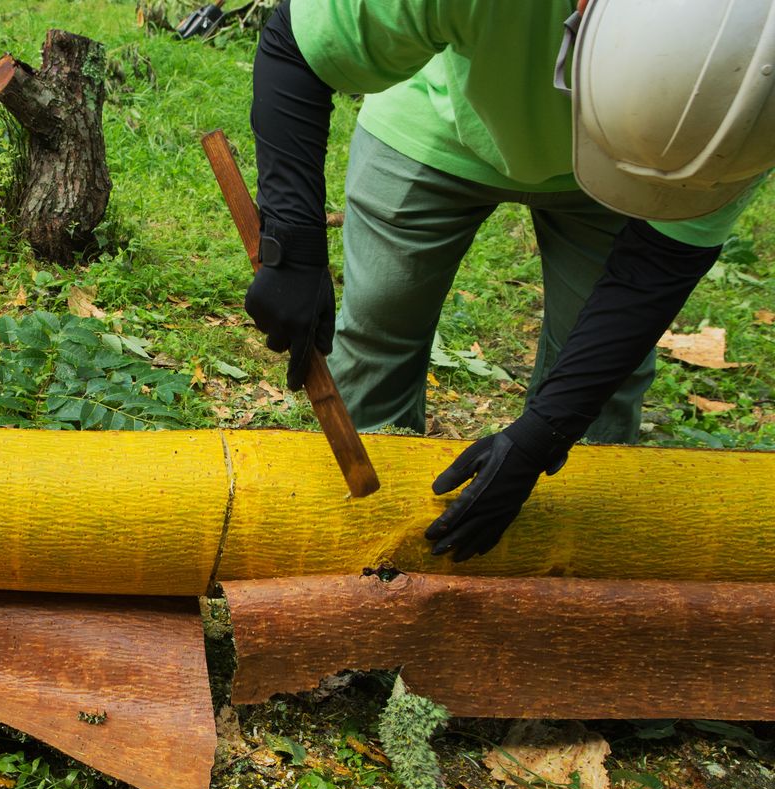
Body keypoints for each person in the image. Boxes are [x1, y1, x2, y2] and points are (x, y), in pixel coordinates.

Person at [245, 0, 774, 560]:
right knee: (380, 326)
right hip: (436, 120)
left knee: (601, 387)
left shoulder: (750, 111)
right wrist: (293, 251)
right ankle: (362, 547)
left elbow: (655, 271)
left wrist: (543, 437)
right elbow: (296, 47)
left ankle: (567, 568)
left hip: (644, 171)